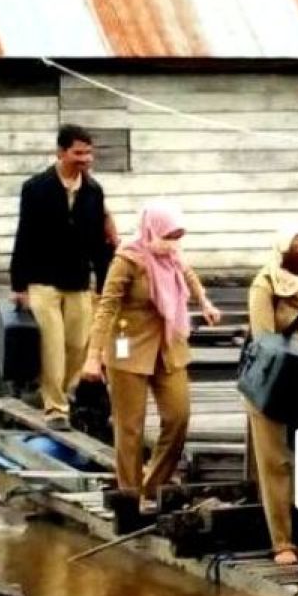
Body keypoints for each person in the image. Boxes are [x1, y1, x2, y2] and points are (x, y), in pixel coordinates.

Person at [83, 202, 221, 514]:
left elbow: (188, 274)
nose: (172, 243)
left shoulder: (171, 256)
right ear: (152, 230)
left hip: (168, 344)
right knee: (129, 425)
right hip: (126, 343)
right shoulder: (128, 259)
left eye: (177, 237)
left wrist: (205, 302)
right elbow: (106, 307)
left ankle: (153, 482)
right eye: (168, 236)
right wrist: (94, 356)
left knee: (178, 415)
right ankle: (130, 495)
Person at [10, 124, 117, 429]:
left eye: (88, 153)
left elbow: (99, 242)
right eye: (78, 152)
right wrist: (19, 284)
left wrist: (104, 279)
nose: (85, 159)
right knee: (52, 346)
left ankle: (62, 390)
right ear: (61, 152)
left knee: (77, 344)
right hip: (43, 279)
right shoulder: (36, 188)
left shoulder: (93, 192)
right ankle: (56, 408)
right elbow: (25, 235)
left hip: (78, 279)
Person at [245, 227, 298, 565]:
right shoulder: (266, 284)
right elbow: (265, 339)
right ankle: (281, 542)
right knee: (274, 460)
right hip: (272, 380)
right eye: (295, 247)